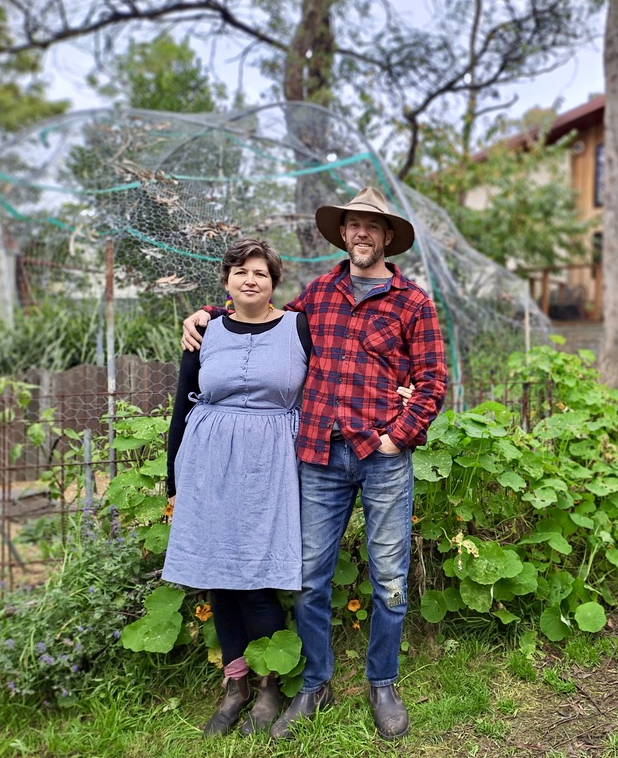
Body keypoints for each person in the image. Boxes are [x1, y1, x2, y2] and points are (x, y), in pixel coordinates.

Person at [181, 186, 448, 741]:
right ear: (342, 233)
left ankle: (383, 682)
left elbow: (433, 382)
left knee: (390, 580)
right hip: (321, 454)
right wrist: (208, 313)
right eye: (353, 225)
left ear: (388, 237)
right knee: (307, 577)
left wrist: (400, 437)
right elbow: (261, 317)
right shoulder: (318, 295)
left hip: (382, 457)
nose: (361, 234)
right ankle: (316, 683)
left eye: (372, 227)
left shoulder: (413, 303)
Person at [164, 238, 311, 737]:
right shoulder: (204, 331)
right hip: (208, 463)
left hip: (271, 463)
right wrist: (173, 481)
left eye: (261, 274)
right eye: (241, 272)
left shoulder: (299, 327)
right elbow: (182, 408)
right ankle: (235, 686)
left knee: (258, 574)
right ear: (226, 280)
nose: (251, 280)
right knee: (217, 574)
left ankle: (270, 684)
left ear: (274, 283)